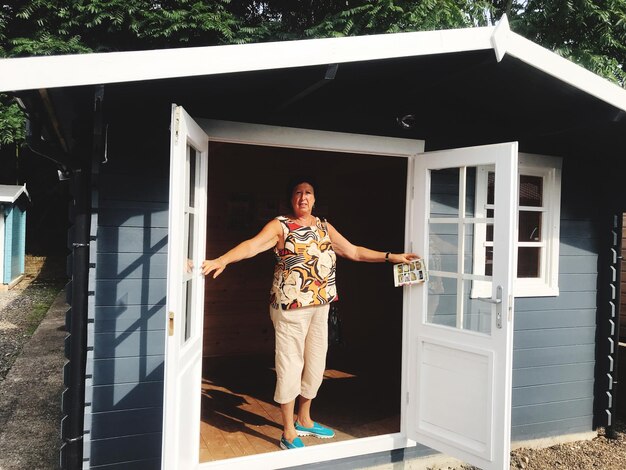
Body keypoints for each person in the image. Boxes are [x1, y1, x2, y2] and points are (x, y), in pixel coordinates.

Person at [201, 176, 419, 450]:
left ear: (315, 199)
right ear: (290, 200)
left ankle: (304, 418)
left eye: (308, 192)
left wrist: (391, 257)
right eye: (297, 193)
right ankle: (288, 430)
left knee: (316, 363)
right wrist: (222, 260)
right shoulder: (280, 226)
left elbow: (354, 251)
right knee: (290, 364)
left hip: (321, 306)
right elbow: (251, 245)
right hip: (290, 308)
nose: (303, 197)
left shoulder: (324, 226)